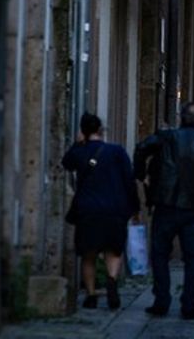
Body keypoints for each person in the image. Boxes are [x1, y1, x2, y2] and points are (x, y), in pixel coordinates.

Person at [133, 102, 194, 320]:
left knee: (160, 254)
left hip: (166, 205)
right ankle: (189, 304)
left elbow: (140, 148)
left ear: (181, 118)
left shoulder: (167, 137)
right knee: (192, 257)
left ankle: (162, 300)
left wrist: (141, 175)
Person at [61, 112, 139, 310]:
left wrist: (78, 144)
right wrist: (134, 207)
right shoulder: (117, 151)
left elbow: (66, 163)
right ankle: (112, 279)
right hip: (114, 209)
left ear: (83, 131)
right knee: (113, 251)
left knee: (89, 255)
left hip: (88, 210)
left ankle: (91, 294)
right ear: (100, 130)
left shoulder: (80, 152)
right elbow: (129, 181)